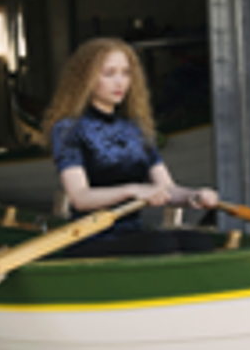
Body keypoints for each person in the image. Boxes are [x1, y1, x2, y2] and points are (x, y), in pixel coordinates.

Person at [42, 37, 219, 257]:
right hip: (92, 236)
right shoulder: (67, 129)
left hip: (133, 233)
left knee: (199, 242)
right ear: (85, 79)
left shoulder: (137, 128)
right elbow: (80, 197)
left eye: (126, 73)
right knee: (160, 245)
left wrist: (194, 195)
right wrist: (132, 190)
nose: (120, 82)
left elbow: (167, 189)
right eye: (109, 74)